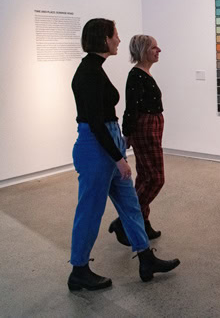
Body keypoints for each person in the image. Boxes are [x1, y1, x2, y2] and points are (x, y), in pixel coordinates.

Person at [68, 18, 180, 291]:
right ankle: (79, 270)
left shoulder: (96, 69)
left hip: (108, 143)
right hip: (97, 149)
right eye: (115, 35)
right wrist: (118, 159)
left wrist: (118, 150)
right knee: (90, 211)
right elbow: (94, 123)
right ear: (104, 39)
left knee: (131, 206)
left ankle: (145, 258)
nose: (119, 40)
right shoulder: (89, 74)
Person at [108, 35, 165, 245]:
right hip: (145, 129)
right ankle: (125, 221)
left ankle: (142, 222)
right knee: (156, 178)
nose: (159, 50)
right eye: (153, 47)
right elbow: (131, 108)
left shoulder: (144, 73)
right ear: (142, 51)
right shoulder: (136, 76)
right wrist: (128, 133)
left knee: (144, 178)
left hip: (151, 127)